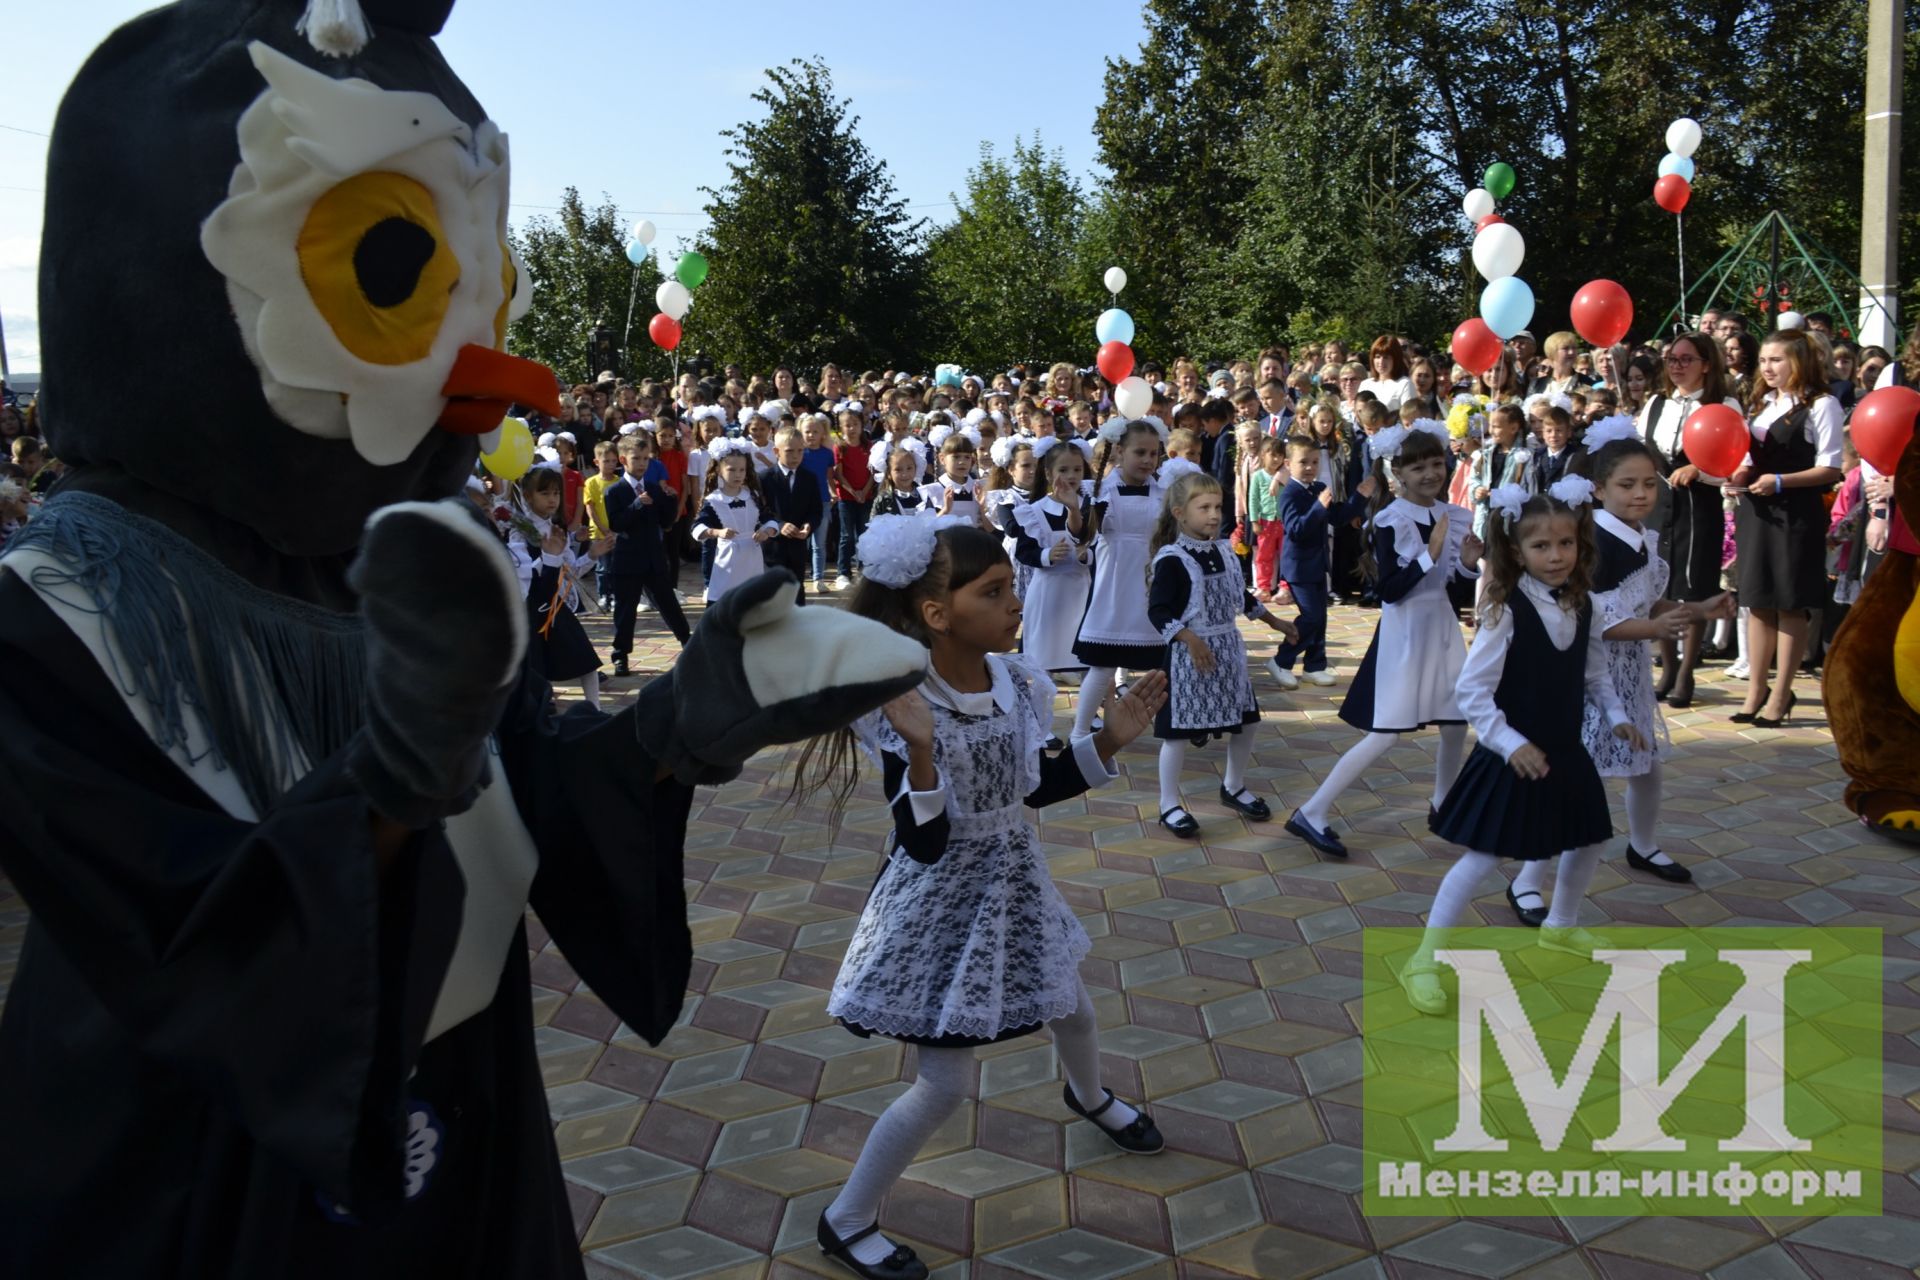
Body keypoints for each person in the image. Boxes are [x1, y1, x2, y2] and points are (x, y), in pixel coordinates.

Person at [810, 518, 1169, 1280]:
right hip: (938, 905)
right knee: (944, 1084)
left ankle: (1090, 1096)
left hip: (1014, 880)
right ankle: (845, 1219)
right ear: (936, 614)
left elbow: (1032, 785)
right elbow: (924, 842)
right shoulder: (903, 706)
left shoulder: (1016, 682)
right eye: (995, 591)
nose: (1016, 604)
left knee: (1072, 1005)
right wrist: (920, 750)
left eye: (1013, 587)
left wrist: (1107, 743)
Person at [1400, 482, 1639, 1013]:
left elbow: (1595, 676)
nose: (1556, 556)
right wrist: (1509, 744)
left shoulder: (1585, 606)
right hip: (1513, 756)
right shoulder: (1504, 610)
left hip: (1564, 750)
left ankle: (1561, 924)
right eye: (1541, 547)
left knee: (1590, 838)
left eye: (1566, 544)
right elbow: (1472, 691)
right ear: (1514, 550)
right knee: (1482, 859)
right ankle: (1424, 958)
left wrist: (1618, 718)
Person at [1285, 423, 1482, 857]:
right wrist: (1430, 553)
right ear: (1398, 473)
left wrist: (1467, 566)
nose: (1431, 473)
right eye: (1418, 467)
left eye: (1436, 463)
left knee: (1454, 722)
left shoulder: (1453, 515)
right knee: (1385, 734)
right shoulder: (1391, 520)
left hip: (1442, 629)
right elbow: (1390, 591)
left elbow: (1452, 589)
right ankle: (1312, 811)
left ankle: (1443, 801)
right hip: (1405, 634)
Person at [1147, 473, 1296, 837]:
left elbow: (1240, 597)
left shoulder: (1224, 553)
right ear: (1181, 514)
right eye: (1205, 508)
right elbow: (1158, 611)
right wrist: (1189, 639)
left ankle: (1233, 785)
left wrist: (1277, 622)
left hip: (1227, 651)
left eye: (1218, 507)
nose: (1214, 515)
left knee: (1247, 721)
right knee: (1177, 733)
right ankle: (1168, 803)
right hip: (1188, 659)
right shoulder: (1172, 559)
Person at [1728, 329, 1845, 726]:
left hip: (1795, 515)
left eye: (1776, 359)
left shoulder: (1822, 404)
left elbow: (1831, 466)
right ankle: (1755, 690)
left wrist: (1779, 481)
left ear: (1799, 360)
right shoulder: (1761, 403)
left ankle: (1781, 695)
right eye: (1763, 360)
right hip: (1756, 513)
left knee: (1789, 603)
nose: (1768, 367)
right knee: (1758, 601)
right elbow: (1747, 455)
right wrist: (1739, 476)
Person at [1637, 332, 1743, 705]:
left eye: (1686, 359)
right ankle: (1666, 667)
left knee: (1693, 585)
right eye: (1672, 360)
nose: (1677, 367)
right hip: (1657, 502)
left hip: (1699, 502)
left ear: (1706, 365)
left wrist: (1699, 469)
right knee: (1660, 586)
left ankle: (1686, 672)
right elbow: (1641, 447)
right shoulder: (1656, 404)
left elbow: (1734, 458)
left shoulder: (1724, 404)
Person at [1071, 419, 1167, 738]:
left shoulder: (1164, 492)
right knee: (1102, 665)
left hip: (1151, 580)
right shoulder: (1101, 490)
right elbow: (1085, 535)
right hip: (1114, 583)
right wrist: (1083, 510)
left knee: (1167, 662)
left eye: (1153, 454)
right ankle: (1080, 730)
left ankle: (1180, 722)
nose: (1148, 460)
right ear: (1120, 452)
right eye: (1140, 452)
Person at [1270, 435, 1374, 690]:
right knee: (1312, 617)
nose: (1310, 467)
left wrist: (1359, 497)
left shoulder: (1317, 488)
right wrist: (1317, 508)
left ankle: (1315, 666)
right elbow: (1296, 529)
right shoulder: (1290, 494)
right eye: (1303, 462)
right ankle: (1281, 660)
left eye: (1315, 462)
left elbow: (1337, 517)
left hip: (1317, 565)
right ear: (1287, 463)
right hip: (1298, 568)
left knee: (1321, 618)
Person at [508, 463, 609, 707]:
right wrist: (548, 558)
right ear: (528, 496)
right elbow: (523, 574)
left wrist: (592, 555)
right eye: (545, 493)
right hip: (530, 607)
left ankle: (594, 708)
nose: (552, 499)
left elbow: (570, 571)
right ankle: (543, 705)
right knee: (536, 662)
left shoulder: (556, 529)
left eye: (556, 493)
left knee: (584, 656)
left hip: (554, 604)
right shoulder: (517, 530)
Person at [1012, 438, 1094, 694]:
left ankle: (1089, 719)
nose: (1071, 476)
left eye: (1077, 470)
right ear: (1048, 473)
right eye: (1063, 470)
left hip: (1081, 590)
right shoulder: (1034, 511)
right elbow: (1025, 552)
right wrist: (1047, 555)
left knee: (1086, 655)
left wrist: (1085, 556)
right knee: (1041, 656)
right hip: (1047, 592)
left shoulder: (1091, 507)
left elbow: (1098, 547)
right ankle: (1042, 723)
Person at [605, 434, 692, 670]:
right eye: (636, 458)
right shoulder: (615, 491)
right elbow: (616, 524)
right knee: (625, 610)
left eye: (646, 458)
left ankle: (689, 643)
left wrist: (671, 501)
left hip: (654, 558)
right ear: (623, 459)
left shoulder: (655, 488)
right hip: (627, 560)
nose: (642, 463)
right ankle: (621, 654)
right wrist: (636, 505)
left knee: (669, 604)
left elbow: (666, 523)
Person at [691, 440, 777, 604]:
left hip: (752, 557)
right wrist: (717, 532)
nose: (738, 474)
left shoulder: (753, 496)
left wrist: (766, 532)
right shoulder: (714, 500)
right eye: (731, 470)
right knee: (723, 601)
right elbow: (697, 526)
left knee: (753, 601)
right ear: (719, 470)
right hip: (727, 559)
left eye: (742, 470)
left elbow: (769, 519)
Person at [762, 425, 825, 604]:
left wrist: (809, 525)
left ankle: (797, 628)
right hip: (772, 547)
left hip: (797, 546)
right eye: (789, 451)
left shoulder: (809, 478)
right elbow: (761, 511)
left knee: (796, 589)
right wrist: (780, 525)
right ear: (776, 451)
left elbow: (816, 510)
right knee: (773, 592)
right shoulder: (765, 478)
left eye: (800, 451)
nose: (796, 456)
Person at [830, 408, 875, 590]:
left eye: (855, 424)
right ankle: (843, 572)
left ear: (861, 425)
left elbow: (873, 473)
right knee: (846, 536)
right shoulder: (839, 448)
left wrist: (864, 491)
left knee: (864, 535)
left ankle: (863, 571)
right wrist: (853, 491)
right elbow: (838, 475)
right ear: (841, 427)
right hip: (846, 498)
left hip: (867, 497)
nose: (852, 428)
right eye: (847, 425)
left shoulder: (869, 447)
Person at [799, 412, 838, 593]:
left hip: (822, 502)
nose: (811, 435)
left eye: (815, 432)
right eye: (807, 431)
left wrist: (833, 493)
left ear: (823, 434)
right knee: (801, 542)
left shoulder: (827, 454)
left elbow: (829, 477)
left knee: (819, 543)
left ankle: (818, 578)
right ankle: (799, 575)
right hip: (802, 503)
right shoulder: (799, 453)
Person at [1247, 436, 1288, 598]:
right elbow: (1253, 498)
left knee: (1286, 555)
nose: (1277, 459)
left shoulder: (1285, 475)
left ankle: (1285, 587)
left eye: (1280, 455)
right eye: (1273, 455)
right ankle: (1263, 587)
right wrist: (1254, 521)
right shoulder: (1258, 476)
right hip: (1265, 522)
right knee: (1264, 556)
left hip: (1284, 522)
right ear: (1263, 455)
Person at [1531, 405, 1583, 490]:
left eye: (1559, 430)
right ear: (1543, 433)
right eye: (1549, 431)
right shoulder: (1538, 455)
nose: (1553, 435)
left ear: (1568, 432)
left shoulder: (1575, 456)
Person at [1359, 336, 1415, 411]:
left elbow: (1409, 416)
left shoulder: (1405, 384)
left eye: (1386, 357)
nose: (1381, 362)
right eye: (1377, 357)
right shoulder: (1365, 384)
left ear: (1395, 359)